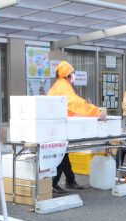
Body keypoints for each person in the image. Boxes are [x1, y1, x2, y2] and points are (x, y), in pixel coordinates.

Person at [47, 61, 103, 193]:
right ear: (66, 74)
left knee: (63, 153)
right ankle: (53, 184)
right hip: (57, 127)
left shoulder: (59, 85)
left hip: (55, 125)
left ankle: (70, 180)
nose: (74, 76)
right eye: (72, 73)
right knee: (61, 154)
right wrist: (95, 111)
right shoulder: (63, 86)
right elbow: (75, 103)